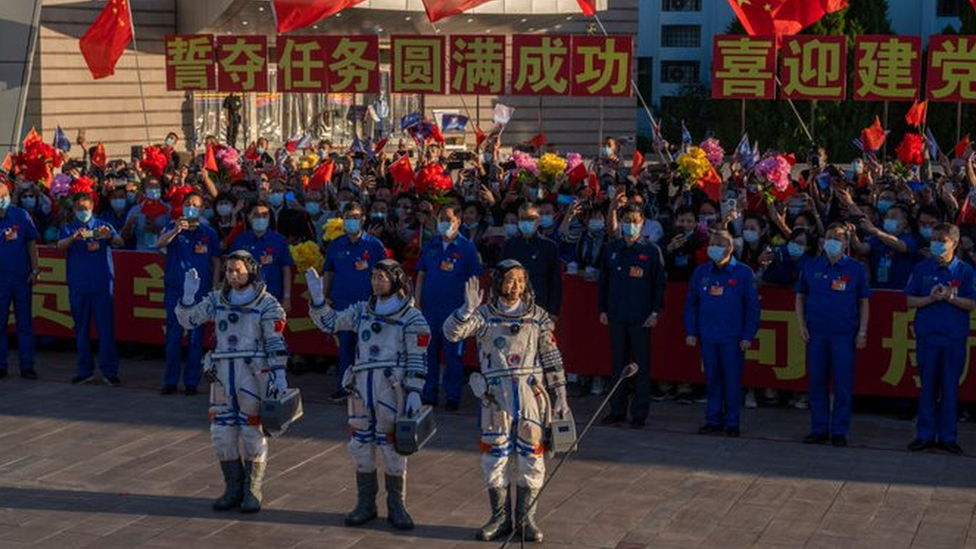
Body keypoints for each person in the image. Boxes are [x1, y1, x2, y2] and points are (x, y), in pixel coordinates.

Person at [443, 262, 569, 543]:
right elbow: (451, 333)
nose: (516, 286)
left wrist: (561, 394)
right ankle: (500, 518)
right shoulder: (484, 316)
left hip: (530, 395)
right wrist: (465, 310)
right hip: (495, 397)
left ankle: (526, 519)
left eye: (521, 280)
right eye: (510, 280)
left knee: (532, 456)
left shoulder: (537, 317)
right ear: (498, 281)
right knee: (494, 457)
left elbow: (551, 356)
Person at [305, 260, 429, 530]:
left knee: (392, 448)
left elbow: (418, 356)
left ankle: (396, 505)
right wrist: (318, 300)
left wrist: (414, 391)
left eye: (382, 277)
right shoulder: (361, 311)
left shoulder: (411, 317)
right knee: (361, 446)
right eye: (373, 277)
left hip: (392, 390)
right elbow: (330, 323)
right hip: (362, 389)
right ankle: (365, 504)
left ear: (397, 280)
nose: (376, 282)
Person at [176, 251, 290, 513]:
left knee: (251, 432)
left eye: (238, 270)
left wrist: (280, 374)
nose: (232, 275)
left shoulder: (267, 303)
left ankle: (252, 489)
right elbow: (188, 320)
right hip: (222, 372)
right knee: (221, 433)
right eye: (228, 270)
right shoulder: (217, 299)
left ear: (251, 271)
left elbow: (275, 341)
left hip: (253, 373)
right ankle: (232, 487)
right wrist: (188, 297)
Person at [795, 223, 870, 447]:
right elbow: (800, 296)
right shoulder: (812, 265)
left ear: (846, 243)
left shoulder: (855, 269)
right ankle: (818, 429)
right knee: (817, 383)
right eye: (829, 237)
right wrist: (801, 325)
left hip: (844, 335)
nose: (832, 241)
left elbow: (864, 302)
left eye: (837, 238)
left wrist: (862, 332)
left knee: (843, 385)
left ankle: (839, 430)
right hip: (817, 334)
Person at [904, 223, 975, 454]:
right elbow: (910, 300)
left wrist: (950, 298)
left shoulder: (965, 271)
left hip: (953, 339)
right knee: (927, 388)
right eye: (934, 239)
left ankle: (947, 437)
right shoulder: (922, 268)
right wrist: (931, 298)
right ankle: (925, 435)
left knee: (950, 388)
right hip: (927, 338)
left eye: (941, 241)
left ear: (954, 243)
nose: (935, 244)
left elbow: (972, 303)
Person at [684, 230, 760, 437]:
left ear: (731, 248)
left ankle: (732, 422)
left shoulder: (743, 273)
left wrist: (747, 335)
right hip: (708, 336)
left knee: (732, 381)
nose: (715, 247)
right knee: (712, 379)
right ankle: (713, 420)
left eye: (720, 244)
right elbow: (691, 304)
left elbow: (752, 308)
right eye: (713, 243)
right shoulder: (702, 272)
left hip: (732, 338)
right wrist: (691, 331)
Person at [598, 204, 666, 427]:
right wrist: (602, 309)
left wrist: (655, 312)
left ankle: (639, 413)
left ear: (642, 223)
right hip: (616, 316)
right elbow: (603, 282)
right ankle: (617, 410)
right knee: (618, 365)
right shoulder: (611, 249)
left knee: (640, 367)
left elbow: (659, 285)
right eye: (626, 220)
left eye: (634, 221)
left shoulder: (651, 251)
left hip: (641, 318)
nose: (630, 225)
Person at [415, 205, 484, 410]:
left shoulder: (467, 248)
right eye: (442, 219)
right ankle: (429, 393)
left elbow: (474, 280)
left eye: (449, 219)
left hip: (455, 312)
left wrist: (470, 310)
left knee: (453, 355)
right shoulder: (431, 244)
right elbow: (421, 274)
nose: (445, 223)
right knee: (428, 353)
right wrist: (417, 303)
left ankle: (452, 396)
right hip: (430, 310)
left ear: (458, 222)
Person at [156, 192, 222, 395]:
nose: (191, 207)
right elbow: (160, 244)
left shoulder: (208, 233)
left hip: (200, 293)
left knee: (195, 339)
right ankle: (170, 381)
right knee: (173, 336)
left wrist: (215, 285)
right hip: (176, 290)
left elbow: (216, 261)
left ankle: (191, 382)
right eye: (188, 204)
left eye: (195, 205)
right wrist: (176, 230)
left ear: (202, 209)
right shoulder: (173, 226)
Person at [321, 201, 387, 400]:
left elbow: (386, 274)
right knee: (346, 348)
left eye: (355, 217)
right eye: (348, 217)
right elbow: (328, 272)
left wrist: (383, 300)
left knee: (369, 348)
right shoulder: (336, 245)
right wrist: (324, 296)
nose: (351, 221)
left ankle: (369, 389)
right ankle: (345, 387)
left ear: (363, 219)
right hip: (342, 305)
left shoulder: (374, 245)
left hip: (369, 306)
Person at [57, 193, 125, 385]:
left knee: (106, 329)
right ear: (74, 210)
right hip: (79, 285)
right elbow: (60, 246)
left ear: (92, 207)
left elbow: (120, 242)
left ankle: (109, 371)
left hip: (102, 285)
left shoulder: (103, 226)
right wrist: (73, 238)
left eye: (85, 208)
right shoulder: (69, 228)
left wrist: (109, 236)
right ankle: (85, 370)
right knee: (81, 329)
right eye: (79, 209)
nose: (83, 212)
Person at [0, 183, 40, 380]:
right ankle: (1, 365)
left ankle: (27, 366)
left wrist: (35, 269)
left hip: (21, 278)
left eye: (4, 196)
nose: (1, 200)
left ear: (9, 195)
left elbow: (31, 244)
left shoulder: (21, 215)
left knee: (24, 324)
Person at [501, 202, 562, 319]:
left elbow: (555, 282)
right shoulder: (509, 245)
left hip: (539, 307)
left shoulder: (549, 247)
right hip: (512, 308)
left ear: (538, 220)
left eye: (530, 218)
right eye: (522, 218)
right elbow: (500, 277)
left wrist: (554, 311)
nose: (526, 222)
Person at [230, 202, 294, 311]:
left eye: (265, 215)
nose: (260, 218)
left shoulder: (279, 240)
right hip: (245, 299)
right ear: (248, 216)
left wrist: (287, 297)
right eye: (256, 215)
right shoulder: (240, 240)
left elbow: (286, 269)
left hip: (272, 297)